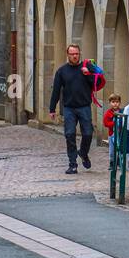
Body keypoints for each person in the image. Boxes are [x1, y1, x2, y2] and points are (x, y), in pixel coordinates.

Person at [49, 42, 94, 175]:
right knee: (69, 134)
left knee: (88, 133)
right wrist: (52, 109)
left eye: (77, 54)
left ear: (79, 54)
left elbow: (97, 84)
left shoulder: (87, 67)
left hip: (84, 106)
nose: (75, 56)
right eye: (72, 54)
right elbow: (56, 90)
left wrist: (89, 74)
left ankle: (83, 153)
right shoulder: (62, 71)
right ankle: (72, 164)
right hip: (69, 108)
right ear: (67, 55)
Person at [103, 94, 123, 166]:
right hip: (112, 134)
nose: (115, 103)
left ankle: (119, 162)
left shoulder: (122, 112)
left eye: (117, 102)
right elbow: (105, 123)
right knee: (112, 151)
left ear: (119, 102)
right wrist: (114, 123)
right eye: (113, 102)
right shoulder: (108, 113)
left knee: (120, 149)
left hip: (120, 134)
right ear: (110, 103)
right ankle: (112, 162)